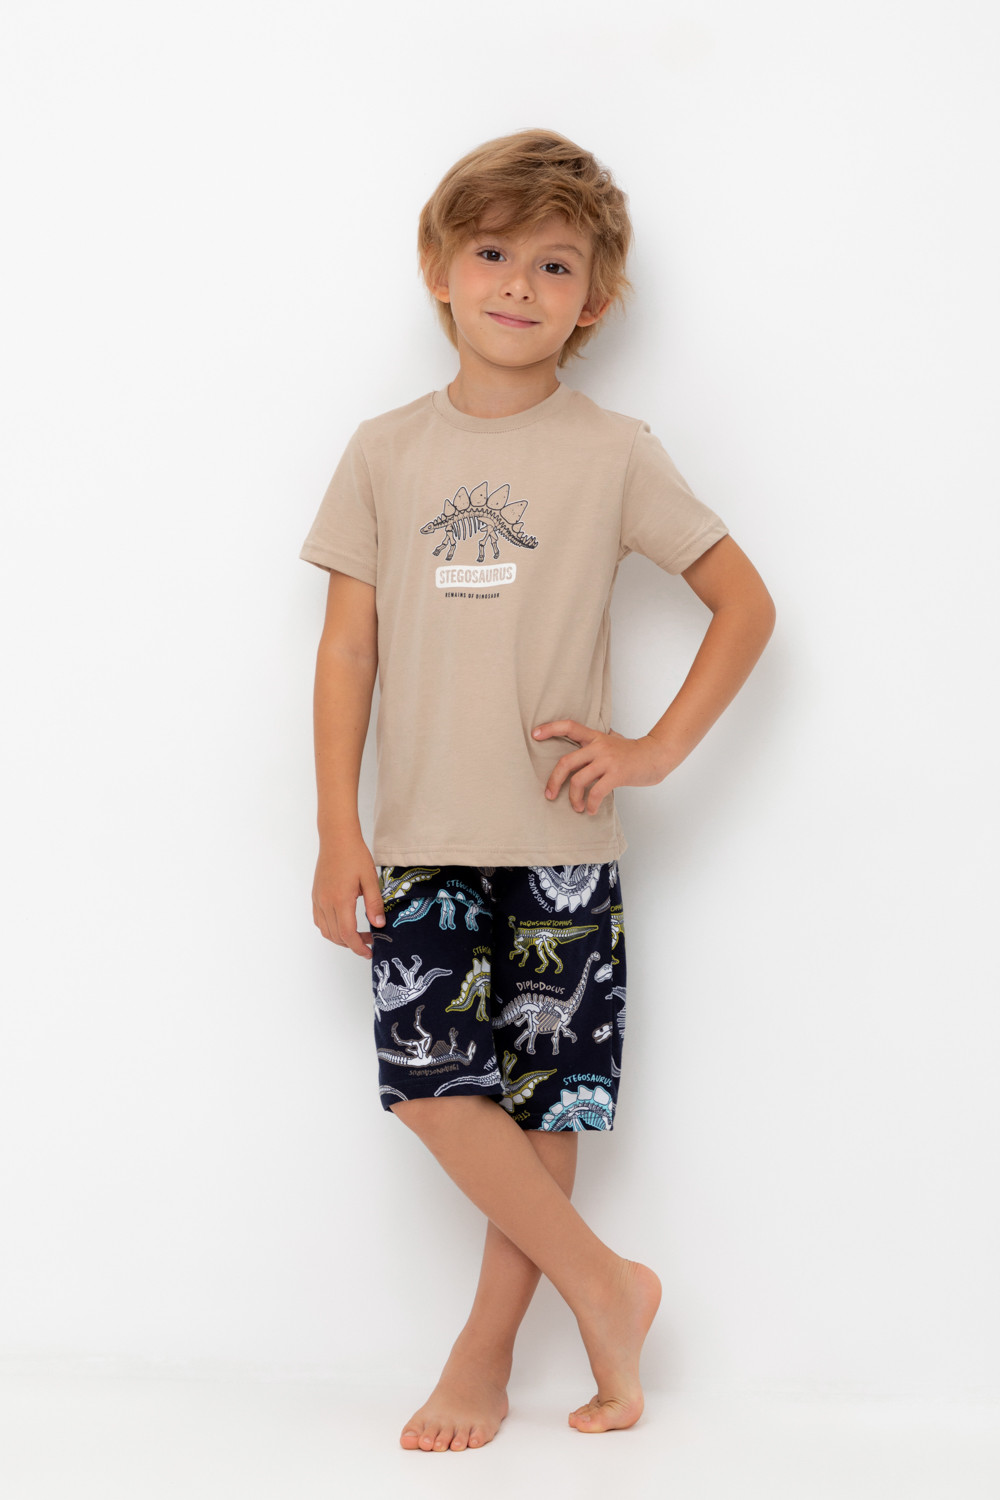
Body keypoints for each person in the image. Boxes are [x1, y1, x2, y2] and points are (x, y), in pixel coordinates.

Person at [299, 128, 775, 1451]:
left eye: (555, 265)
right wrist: (337, 826)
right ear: (440, 270)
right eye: (493, 252)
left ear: (594, 302)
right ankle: (606, 1285)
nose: (518, 282)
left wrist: (653, 749)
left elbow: (744, 603)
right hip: (422, 836)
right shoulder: (384, 451)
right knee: (430, 1086)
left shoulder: (615, 451)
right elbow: (347, 651)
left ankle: (489, 1351)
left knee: (546, 1100)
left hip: (562, 837)